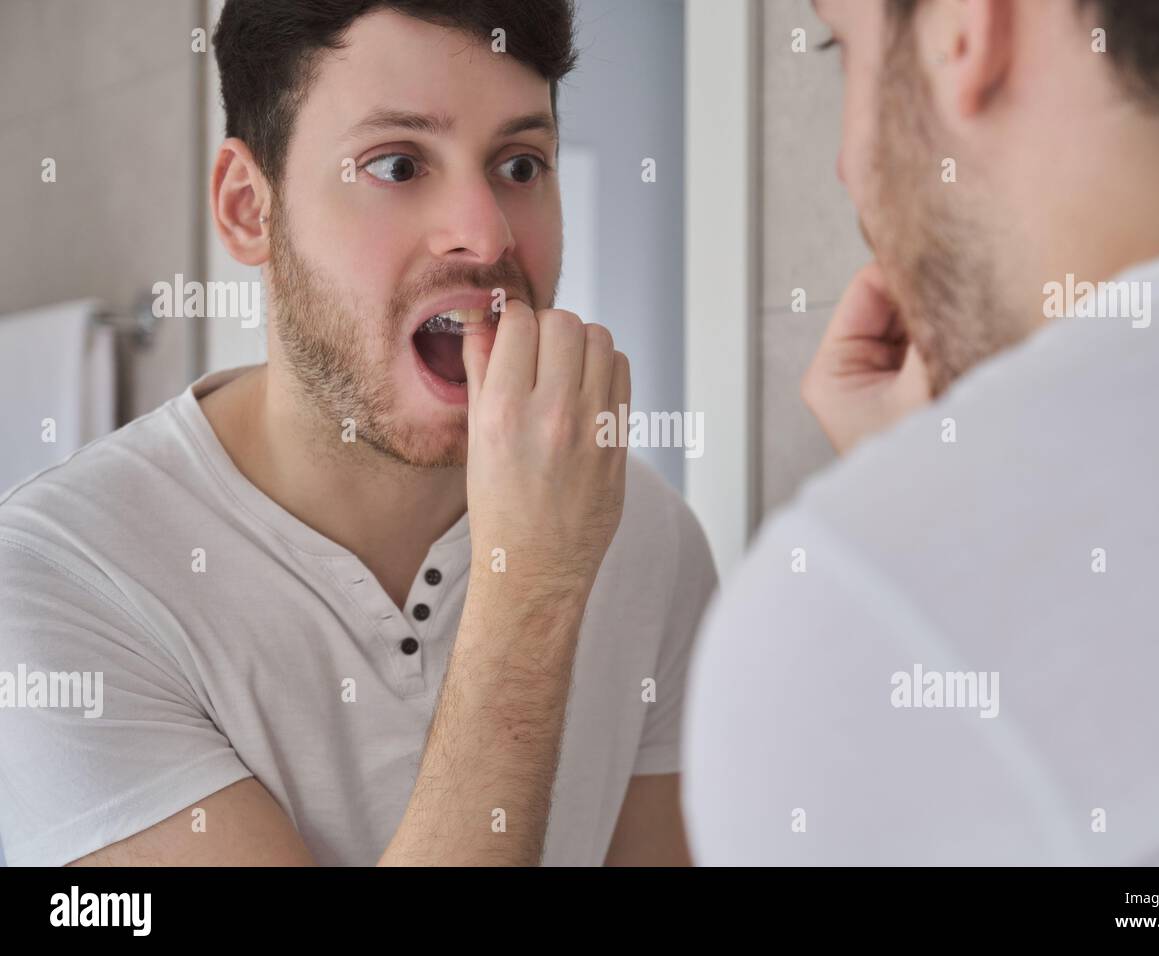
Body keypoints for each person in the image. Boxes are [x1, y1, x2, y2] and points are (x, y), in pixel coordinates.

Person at [0, 0, 715, 867]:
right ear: (247, 209)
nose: (485, 232)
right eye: (399, 163)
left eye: (521, 164)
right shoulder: (53, 583)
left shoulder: (650, 537)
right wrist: (532, 587)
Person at [684, 0, 1159, 865]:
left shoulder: (842, 630)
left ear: (963, 29)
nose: (843, 165)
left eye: (843, 44)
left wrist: (921, 549)